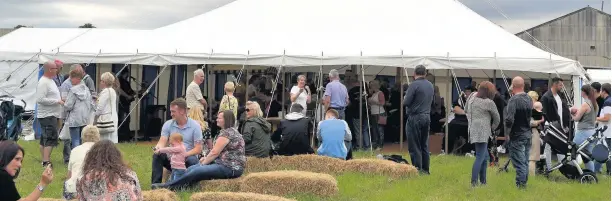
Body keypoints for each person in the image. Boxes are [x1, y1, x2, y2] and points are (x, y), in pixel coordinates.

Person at [152, 110, 245, 190]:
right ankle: (179, 185)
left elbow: (214, 152)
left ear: (226, 120)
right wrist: (204, 159)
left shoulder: (227, 133)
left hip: (230, 168)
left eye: (219, 118)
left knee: (198, 170)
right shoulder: (226, 132)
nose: (217, 119)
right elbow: (215, 150)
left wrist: (203, 163)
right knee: (192, 168)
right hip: (223, 164)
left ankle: (168, 187)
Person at [152, 98, 203, 184]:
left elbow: (198, 149)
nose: (171, 114)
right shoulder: (168, 124)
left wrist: (183, 155)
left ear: (182, 111)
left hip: (187, 157)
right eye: (171, 111)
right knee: (157, 156)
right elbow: (162, 142)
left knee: (193, 161)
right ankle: (156, 186)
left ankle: (190, 184)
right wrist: (157, 148)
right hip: (172, 159)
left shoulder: (195, 126)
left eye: (173, 111)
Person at [77, 140, 142, 200]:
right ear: (117, 156)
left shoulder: (83, 180)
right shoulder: (130, 175)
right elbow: (139, 198)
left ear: (91, 157)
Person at [465, 81, 499, 186]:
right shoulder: (489, 103)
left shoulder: (472, 99)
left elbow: (466, 110)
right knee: (480, 157)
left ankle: (483, 182)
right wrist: (492, 128)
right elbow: (497, 119)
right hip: (484, 131)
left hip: (473, 129)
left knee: (485, 157)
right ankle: (474, 182)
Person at [403, 65, 434, 174]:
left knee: (414, 145)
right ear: (425, 74)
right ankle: (426, 170)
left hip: (415, 117)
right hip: (426, 116)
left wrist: (405, 96)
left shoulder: (413, 85)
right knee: (424, 144)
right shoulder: (430, 85)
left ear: (414, 73)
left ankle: (417, 169)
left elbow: (406, 102)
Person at [504, 76, 533, 189]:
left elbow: (510, 119)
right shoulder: (529, 98)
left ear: (513, 85)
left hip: (516, 134)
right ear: (523, 85)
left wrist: (507, 133)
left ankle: (521, 186)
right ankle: (523, 183)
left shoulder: (513, 100)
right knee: (525, 161)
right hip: (527, 133)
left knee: (519, 163)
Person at [36, 61, 64, 167]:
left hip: (52, 113)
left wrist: (60, 99)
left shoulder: (51, 81)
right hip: (47, 114)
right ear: (49, 70)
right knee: (50, 137)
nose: (57, 70)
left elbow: (52, 95)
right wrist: (57, 101)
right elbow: (40, 99)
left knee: (45, 138)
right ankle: (46, 161)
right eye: (54, 68)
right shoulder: (43, 82)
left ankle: (44, 160)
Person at [540, 77, 570, 170]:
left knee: (560, 146)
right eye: (560, 85)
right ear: (555, 84)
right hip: (551, 126)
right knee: (548, 148)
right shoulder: (546, 97)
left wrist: (565, 124)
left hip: (559, 125)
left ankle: (564, 167)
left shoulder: (559, 96)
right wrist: (549, 125)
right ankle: (548, 168)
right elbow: (544, 112)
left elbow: (562, 111)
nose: (562, 87)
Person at [63, 125, 100, 200]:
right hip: (93, 189)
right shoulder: (101, 151)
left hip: (74, 188)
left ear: (82, 137)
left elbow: (70, 175)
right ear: (98, 137)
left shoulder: (74, 150)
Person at [570, 85, 599, 172]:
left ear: (583, 92)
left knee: (572, 151)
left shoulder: (585, 104)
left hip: (583, 132)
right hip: (591, 132)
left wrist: (571, 113)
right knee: (587, 156)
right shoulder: (595, 104)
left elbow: (577, 119)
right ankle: (591, 174)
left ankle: (571, 171)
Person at [63, 69, 94, 149]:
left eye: (71, 78)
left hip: (74, 119)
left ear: (77, 78)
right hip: (85, 119)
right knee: (82, 141)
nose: (70, 80)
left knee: (75, 140)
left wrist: (63, 103)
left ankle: (76, 158)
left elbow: (68, 106)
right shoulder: (87, 90)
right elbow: (90, 104)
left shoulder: (73, 90)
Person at [95, 72, 119, 143]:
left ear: (104, 82)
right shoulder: (113, 91)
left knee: (104, 141)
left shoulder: (105, 91)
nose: (100, 82)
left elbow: (100, 107)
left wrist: (95, 117)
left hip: (106, 119)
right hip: (113, 117)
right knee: (111, 140)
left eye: (101, 81)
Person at [527, 91, 545, 176]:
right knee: (532, 158)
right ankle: (531, 177)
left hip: (527, 133)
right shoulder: (531, 109)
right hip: (533, 132)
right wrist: (539, 121)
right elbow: (530, 122)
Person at [116, 69, 137, 142]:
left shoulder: (126, 82)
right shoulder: (119, 81)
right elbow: (119, 90)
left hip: (126, 104)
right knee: (123, 120)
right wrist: (127, 96)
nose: (128, 75)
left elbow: (130, 91)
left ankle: (126, 136)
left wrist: (138, 92)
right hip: (122, 103)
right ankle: (122, 137)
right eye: (127, 74)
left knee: (126, 120)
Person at [595, 83, 611, 174]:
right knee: (603, 151)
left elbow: (607, 118)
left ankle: (608, 171)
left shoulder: (608, 102)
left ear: (604, 91)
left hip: (607, 132)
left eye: (601, 90)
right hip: (606, 132)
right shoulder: (608, 101)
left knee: (605, 152)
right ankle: (597, 170)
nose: (600, 92)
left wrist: (595, 118)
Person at [368, 80, 386, 150]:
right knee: (375, 130)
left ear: (374, 86)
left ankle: (380, 145)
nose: (370, 88)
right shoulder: (373, 94)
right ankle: (376, 144)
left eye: (371, 86)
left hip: (380, 113)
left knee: (380, 129)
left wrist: (374, 101)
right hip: (374, 113)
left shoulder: (380, 93)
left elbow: (383, 103)